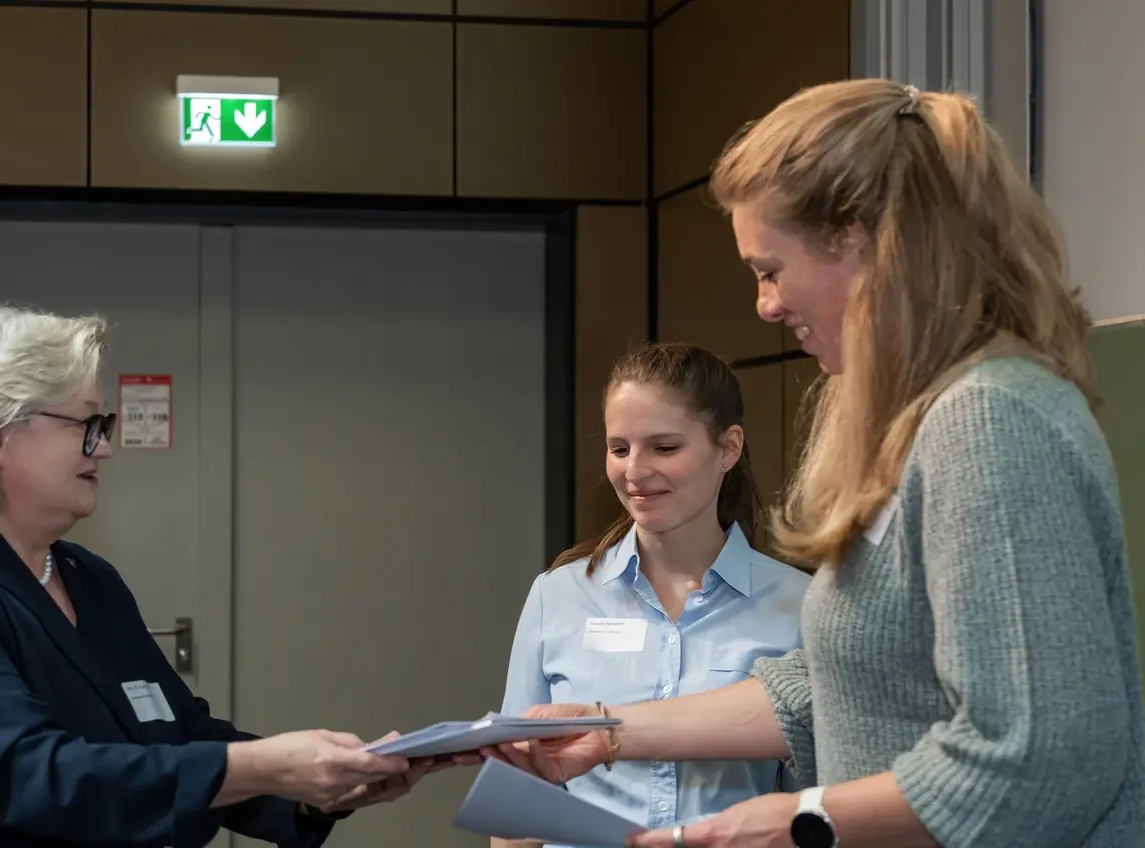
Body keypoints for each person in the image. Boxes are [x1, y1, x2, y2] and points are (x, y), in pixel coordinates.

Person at [478, 79, 1145, 848]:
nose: (764, 305)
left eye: (771, 270)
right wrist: (610, 728)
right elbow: (828, 691)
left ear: (866, 243)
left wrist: (803, 820)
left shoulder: (987, 419)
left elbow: (1044, 758)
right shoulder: (920, 426)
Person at [0, 305, 439, 847]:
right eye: (87, 424)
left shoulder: (87, 578)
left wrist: (317, 789)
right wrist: (264, 766)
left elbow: (176, 734)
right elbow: (33, 777)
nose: (107, 447)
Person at [493, 342, 809, 848]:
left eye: (664, 448)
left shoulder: (800, 605)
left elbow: (816, 803)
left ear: (727, 448)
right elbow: (518, 791)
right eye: (620, 449)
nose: (635, 471)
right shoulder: (558, 596)